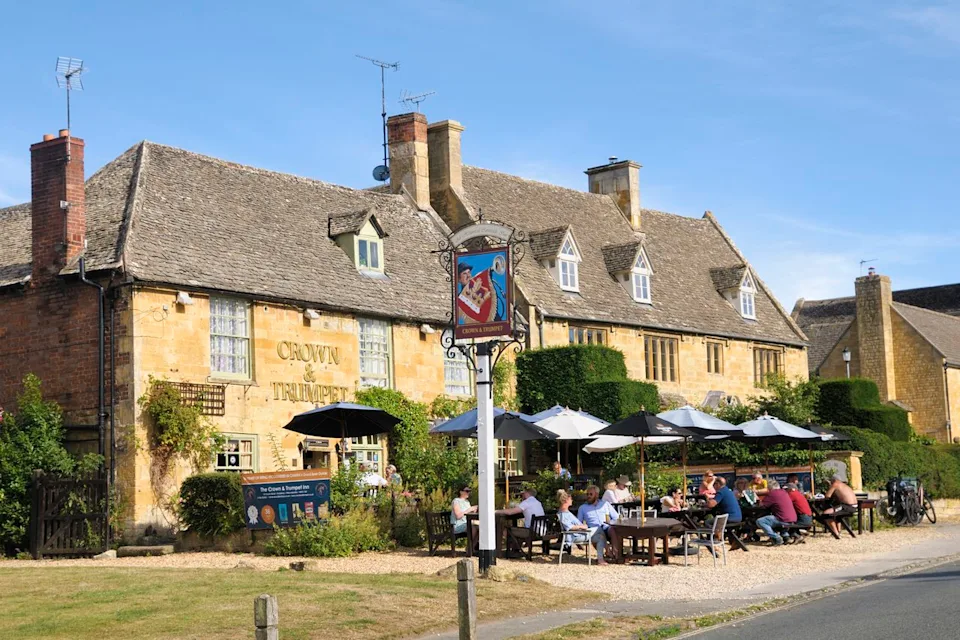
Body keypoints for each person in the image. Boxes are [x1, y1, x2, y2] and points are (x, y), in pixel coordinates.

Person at [576, 484, 621, 565]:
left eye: (591, 494)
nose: (588, 496)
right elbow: (579, 523)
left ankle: (616, 554)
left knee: (613, 530)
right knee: (599, 531)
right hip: (594, 530)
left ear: (596, 495)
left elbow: (616, 517)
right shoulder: (583, 508)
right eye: (587, 494)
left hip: (606, 526)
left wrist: (611, 522)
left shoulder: (605, 504)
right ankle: (610, 553)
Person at [757, 480, 797, 545]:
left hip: (783, 519)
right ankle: (785, 536)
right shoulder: (784, 492)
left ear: (769, 488)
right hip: (792, 518)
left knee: (760, 521)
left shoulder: (772, 494)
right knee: (774, 517)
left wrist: (758, 499)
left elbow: (762, 506)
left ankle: (776, 537)